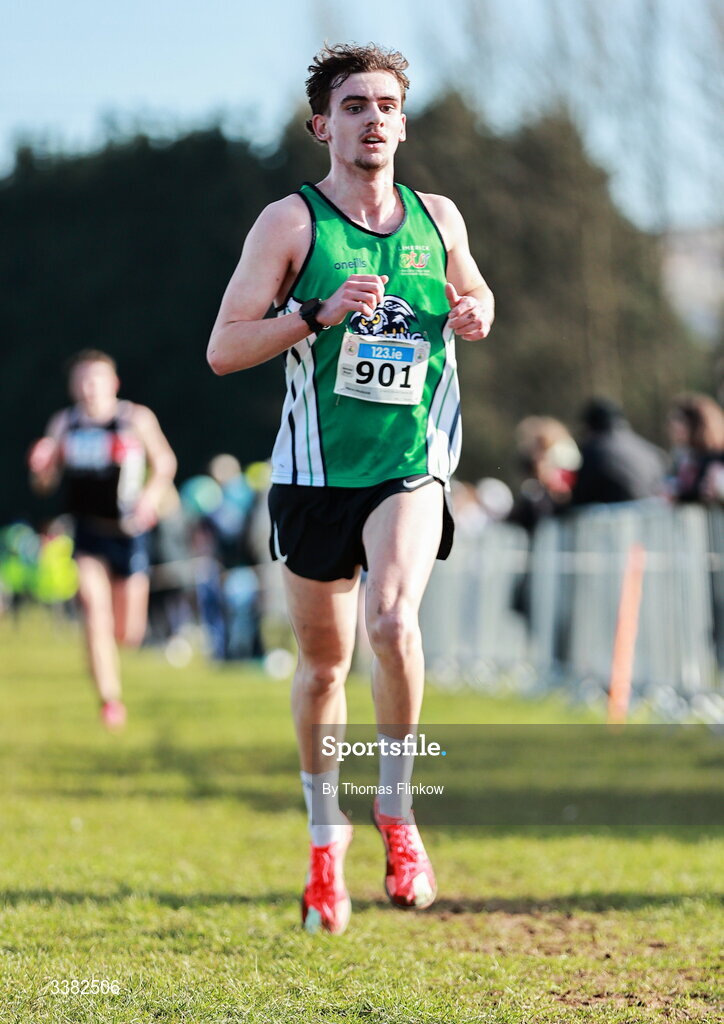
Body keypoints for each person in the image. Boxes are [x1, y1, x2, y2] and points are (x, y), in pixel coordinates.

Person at [207, 42, 494, 935]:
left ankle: (398, 814)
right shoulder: (289, 225)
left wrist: (479, 308)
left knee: (393, 622)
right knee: (326, 665)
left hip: (411, 460)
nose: (374, 119)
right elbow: (222, 348)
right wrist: (313, 314)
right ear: (323, 125)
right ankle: (324, 841)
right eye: (356, 105)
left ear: (404, 123)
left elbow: (473, 294)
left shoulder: (437, 217)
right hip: (314, 475)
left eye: (387, 105)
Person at [28, 350, 177, 728]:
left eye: (96, 379)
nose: (88, 387)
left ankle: (109, 661)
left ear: (114, 384)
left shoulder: (135, 418)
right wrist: (41, 467)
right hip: (87, 531)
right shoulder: (64, 423)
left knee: (128, 633)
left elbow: (165, 463)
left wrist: (149, 497)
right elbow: (44, 485)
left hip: (128, 534)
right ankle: (110, 701)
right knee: (94, 610)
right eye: (81, 380)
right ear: (73, 386)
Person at [569, 397, 665, 507]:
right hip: (655, 518)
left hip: (616, 520)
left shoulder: (594, 450)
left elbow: (580, 495)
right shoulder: (650, 450)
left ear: (589, 426)